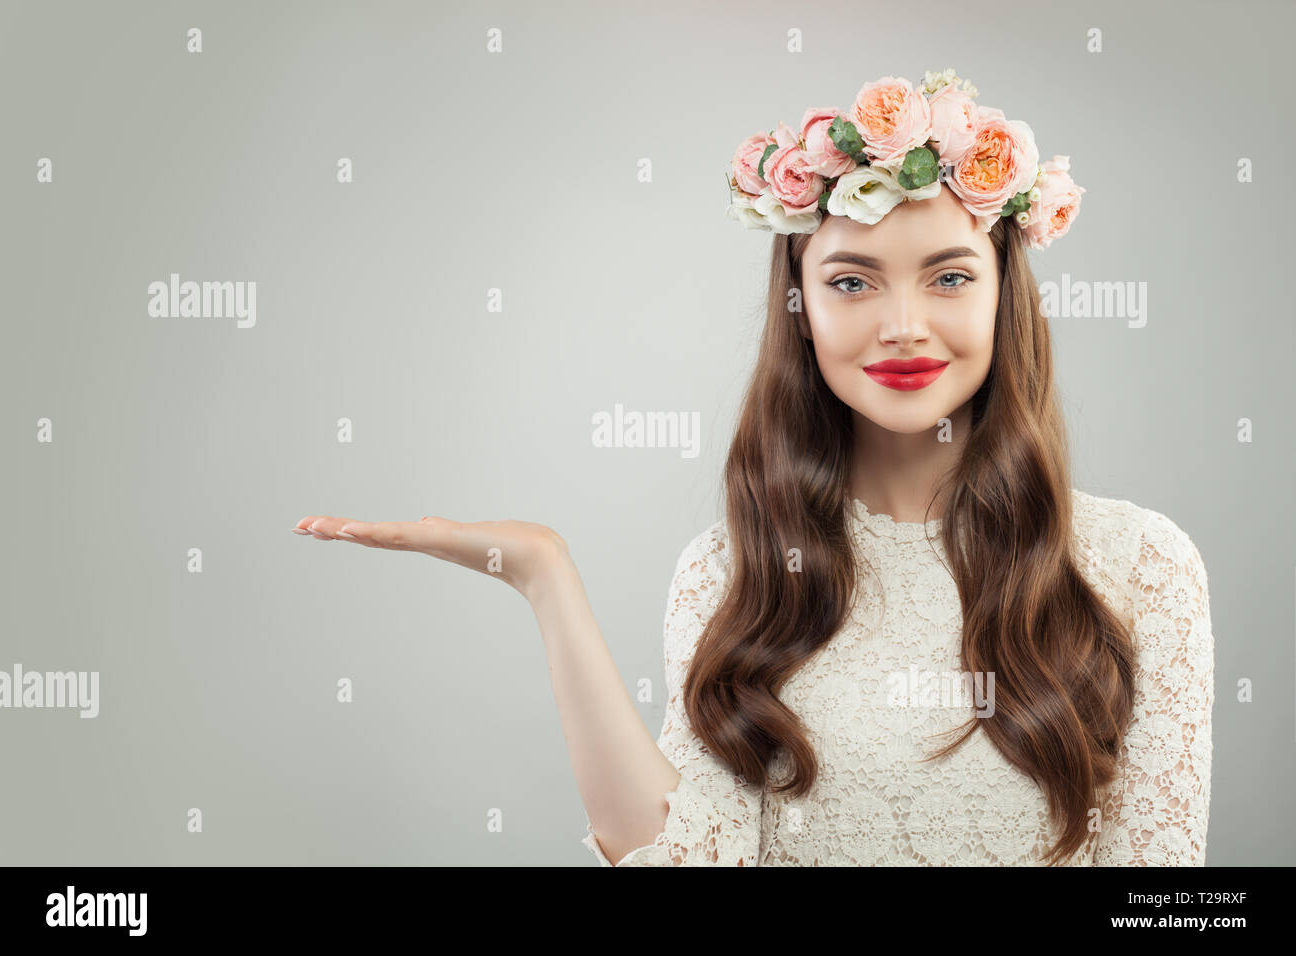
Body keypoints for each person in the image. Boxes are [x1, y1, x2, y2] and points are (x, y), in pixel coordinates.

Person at [292, 69, 1213, 866]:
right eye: (852, 281)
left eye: (949, 276)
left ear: (1005, 296)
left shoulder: (1140, 565)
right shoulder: (731, 573)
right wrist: (546, 579)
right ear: (800, 306)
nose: (901, 324)